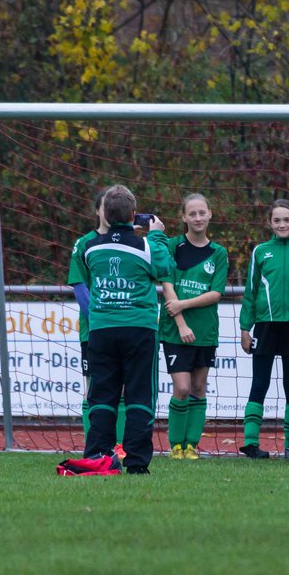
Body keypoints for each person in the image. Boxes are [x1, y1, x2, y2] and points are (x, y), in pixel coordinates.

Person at [78, 185, 175, 474]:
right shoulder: (147, 245)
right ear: (135, 215)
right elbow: (165, 267)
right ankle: (136, 463)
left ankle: (98, 455)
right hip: (138, 329)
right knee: (139, 394)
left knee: (102, 394)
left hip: (102, 330)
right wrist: (156, 233)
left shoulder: (91, 247)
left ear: (104, 214)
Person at [239, 199, 289, 459]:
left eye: (286, 219)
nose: (282, 224)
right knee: (259, 382)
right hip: (265, 326)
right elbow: (250, 292)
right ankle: (250, 442)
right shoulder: (261, 251)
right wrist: (244, 328)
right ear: (269, 223)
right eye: (277, 220)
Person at [159, 193, 228, 461]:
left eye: (202, 213)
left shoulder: (219, 253)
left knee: (199, 387)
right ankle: (176, 445)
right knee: (183, 388)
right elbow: (168, 286)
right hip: (176, 331)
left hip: (205, 331)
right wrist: (180, 321)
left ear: (210, 214)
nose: (198, 218)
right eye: (192, 214)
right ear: (184, 217)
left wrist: (183, 306)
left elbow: (215, 294)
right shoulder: (173, 246)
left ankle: (191, 446)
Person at [67, 187, 126, 449]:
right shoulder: (84, 243)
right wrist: (98, 318)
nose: (108, 211)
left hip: (124, 327)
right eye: (104, 207)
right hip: (94, 330)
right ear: (98, 211)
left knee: (123, 388)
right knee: (94, 387)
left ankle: (121, 445)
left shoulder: (127, 241)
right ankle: (94, 443)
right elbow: (79, 286)